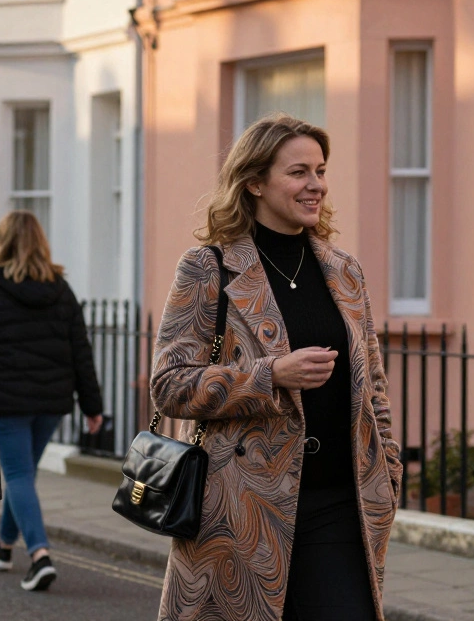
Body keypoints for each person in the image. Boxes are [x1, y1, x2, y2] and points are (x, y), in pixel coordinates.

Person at [151, 114, 403, 621]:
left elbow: (373, 381)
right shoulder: (209, 267)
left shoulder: (343, 270)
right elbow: (169, 384)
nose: (316, 186)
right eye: (299, 173)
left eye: (321, 170)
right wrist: (268, 375)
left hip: (339, 501)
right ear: (254, 182)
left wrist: (389, 465)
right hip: (244, 506)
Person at [0, 210, 105, 591]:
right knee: (24, 474)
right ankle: (2, 543)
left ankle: (40, 556)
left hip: (8, 402)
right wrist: (92, 406)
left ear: (3, 242)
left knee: (17, 475)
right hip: (52, 401)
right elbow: (81, 350)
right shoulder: (60, 290)